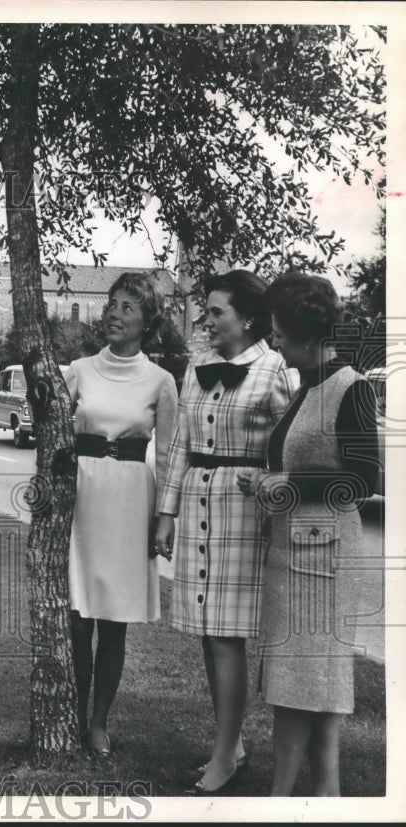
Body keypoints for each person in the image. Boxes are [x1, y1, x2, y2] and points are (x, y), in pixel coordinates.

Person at [153, 269, 298, 794]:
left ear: (247, 319)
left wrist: (264, 481)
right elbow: (179, 447)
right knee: (207, 633)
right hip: (196, 504)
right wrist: (165, 513)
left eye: (216, 312)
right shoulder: (196, 367)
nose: (205, 320)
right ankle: (229, 743)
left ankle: (224, 757)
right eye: (206, 311)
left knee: (226, 634)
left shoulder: (276, 370)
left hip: (243, 513)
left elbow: (293, 446)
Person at [237, 273, 380, 796]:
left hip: (322, 565)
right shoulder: (308, 387)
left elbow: (364, 478)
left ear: (301, 331)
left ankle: (280, 798)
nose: (273, 340)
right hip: (297, 559)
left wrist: (290, 480)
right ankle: (327, 794)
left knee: (301, 686)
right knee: (309, 688)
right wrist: (267, 482)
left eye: (277, 330)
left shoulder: (352, 387)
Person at [64, 272, 179, 756]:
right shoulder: (78, 370)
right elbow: (51, 436)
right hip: (81, 496)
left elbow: (171, 455)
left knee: (113, 621)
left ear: (147, 321)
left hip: (131, 498)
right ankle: (71, 714)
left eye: (128, 307)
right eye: (112, 304)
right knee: (77, 617)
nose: (114, 313)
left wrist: (165, 516)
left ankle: (98, 722)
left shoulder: (161, 381)